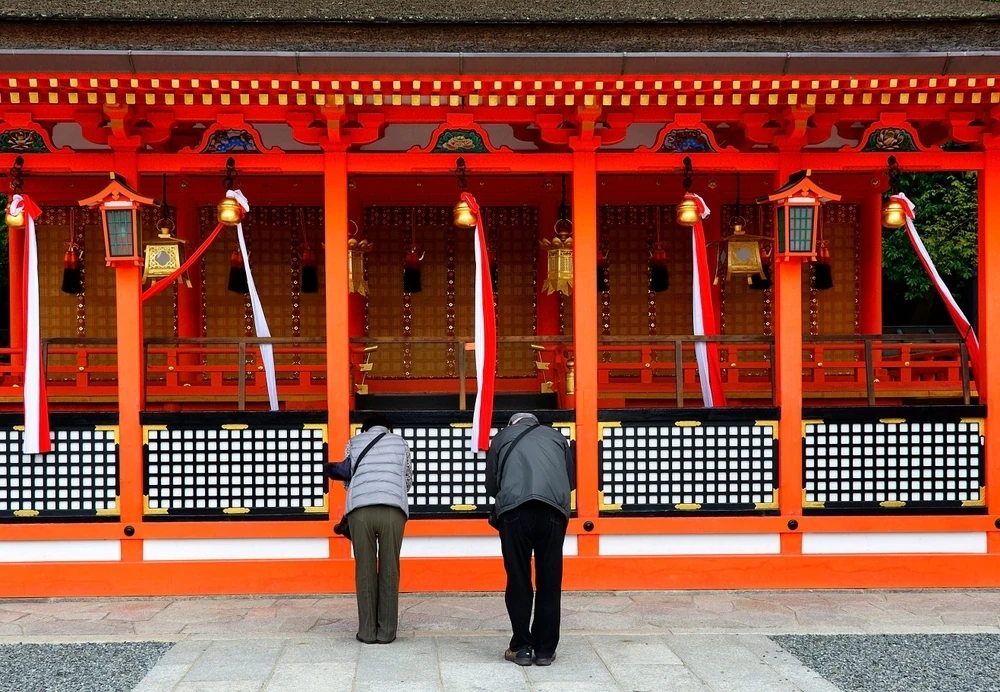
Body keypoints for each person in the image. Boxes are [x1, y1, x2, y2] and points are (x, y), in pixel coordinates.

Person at [486, 412, 574, 667]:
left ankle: (521, 647)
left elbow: (492, 485)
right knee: (549, 580)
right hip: (552, 513)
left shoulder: (502, 438)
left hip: (514, 512)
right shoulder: (557, 437)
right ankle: (545, 650)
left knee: (518, 577)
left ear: (512, 424)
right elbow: (568, 481)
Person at [327, 414, 412, 645]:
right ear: (389, 428)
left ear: (364, 429)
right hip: (393, 511)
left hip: (360, 511)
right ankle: (386, 633)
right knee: (390, 568)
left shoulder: (354, 443)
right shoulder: (401, 443)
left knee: (364, 568)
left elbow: (347, 479)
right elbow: (407, 479)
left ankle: (366, 632)